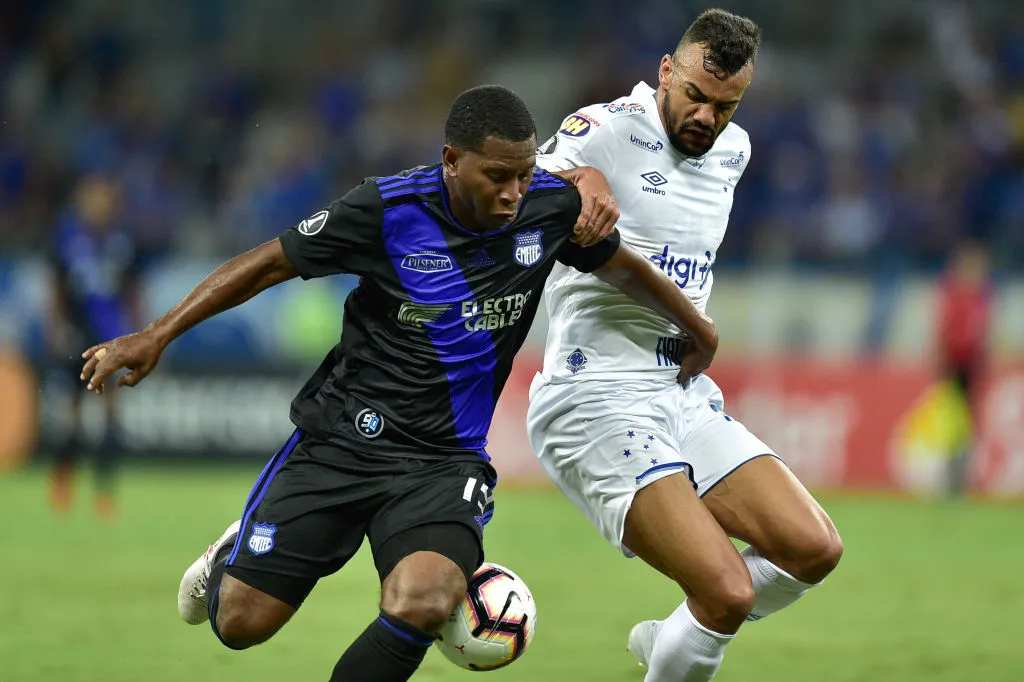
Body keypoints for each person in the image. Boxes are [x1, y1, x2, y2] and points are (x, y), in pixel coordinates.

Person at [80, 85, 718, 682]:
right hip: (339, 442)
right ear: (450, 160)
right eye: (496, 175)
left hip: (443, 462)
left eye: (524, 175)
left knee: (424, 598)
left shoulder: (547, 209)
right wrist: (155, 334)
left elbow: (623, 268)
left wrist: (695, 326)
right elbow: (266, 264)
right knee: (240, 625)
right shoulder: (385, 209)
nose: (513, 193)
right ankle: (233, 554)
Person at [526, 10, 843, 681]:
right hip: (596, 398)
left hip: (680, 391)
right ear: (666, 72)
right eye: (695, 96)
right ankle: (691, 640)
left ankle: (678, 637)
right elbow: (527, 185)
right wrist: (578, 182)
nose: (707, 116)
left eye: (725, 105)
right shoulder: (607, 128)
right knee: (727, 591)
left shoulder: (734, 151)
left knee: (813, 548)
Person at [48, 173, 140, 518]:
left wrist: (141, 330)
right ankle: (63, 478)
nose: (99, 205)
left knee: (110, 417)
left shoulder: (122, 241)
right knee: (72, 419)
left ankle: (104, 491)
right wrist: (56, 328)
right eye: (93, 199)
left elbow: (133, 290)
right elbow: (55, 288)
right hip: (77, 337)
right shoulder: (67, 238)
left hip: (112, 339)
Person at [936, 241, 993, 494]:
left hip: (971, 367)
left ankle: (961, 478)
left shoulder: (982, 297)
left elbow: (984, 333)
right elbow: (944, 331)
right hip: (953, 366)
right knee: (953, 423)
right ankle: (951, 477)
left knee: (966, 424)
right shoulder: (953, 295)